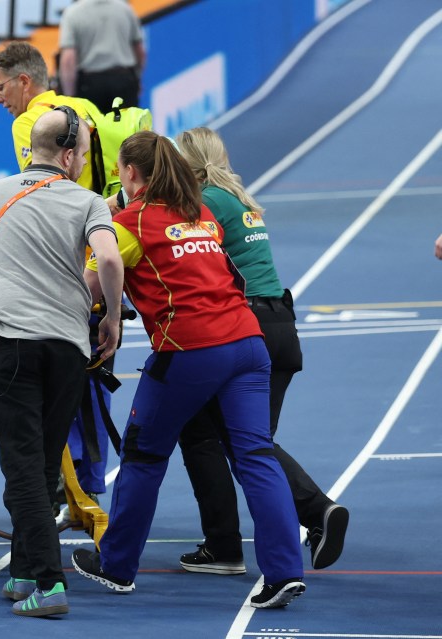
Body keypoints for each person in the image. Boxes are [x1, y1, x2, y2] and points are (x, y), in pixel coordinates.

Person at [73, 130, 306, 609]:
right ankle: (283, 572)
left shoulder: (128, 221)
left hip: (190, 348)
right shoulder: (199, 215)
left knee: (144, 454)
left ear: (131, 174)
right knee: (255, 455)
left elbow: (93, 279)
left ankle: (117, 566)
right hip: (248, 344)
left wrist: (108, 313)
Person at [0, 108, 125, 617]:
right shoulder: (89, 200)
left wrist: (6, 258)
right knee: (45, 458)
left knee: (23, 465)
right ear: (71, 155)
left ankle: (50, 584)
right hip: (69, 347)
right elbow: (111, 260)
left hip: (12, 342)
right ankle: (26, 569)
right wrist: (112, 320)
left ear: (34, 148)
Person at [173, 126, 349, 575]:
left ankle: (303, 517)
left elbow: (181, 257)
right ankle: (234, 542)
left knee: (238, 440)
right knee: (218, 432)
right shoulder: (240, 199)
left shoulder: (205, 202)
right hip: (279, 326)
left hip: (245, 327)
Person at [0, 42, 102, 192]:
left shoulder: (26, 122)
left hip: (68, 212)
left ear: (24, 81)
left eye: (0, 88)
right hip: (102, 209)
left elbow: (39, 189)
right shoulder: (85, 105)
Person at [58, 0, 146, 112]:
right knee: (128, 128)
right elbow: (139, 51)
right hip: (124, 81)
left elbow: (68, 60)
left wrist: (69, 97)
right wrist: (137, 78)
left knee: (93, 128)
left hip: (90, 86)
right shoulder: (125, 9)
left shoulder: (73, 13)